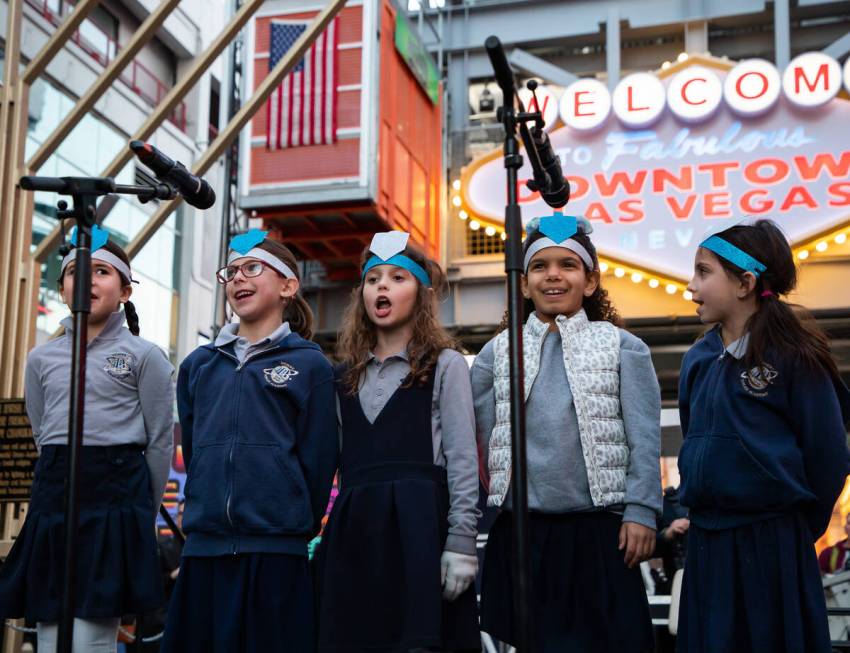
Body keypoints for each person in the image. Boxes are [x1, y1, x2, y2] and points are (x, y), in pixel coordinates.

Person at [471, 213, 662, 653]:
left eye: (568, 265)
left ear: (590, 282)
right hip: (524, 533)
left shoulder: (624, 346)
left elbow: (644, 438)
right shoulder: (495, 353)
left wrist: (642, 510)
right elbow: (485, 438)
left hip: (603, 530)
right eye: (539, 266)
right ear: (522, 283)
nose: (553, 274)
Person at [677, 218, 850, 653]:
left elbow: (828, 455)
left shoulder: (796, 356)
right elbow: (693, 436)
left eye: (703, 272)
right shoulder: (697, 358)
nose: (691, 284)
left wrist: (792, 530)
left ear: (745, 283)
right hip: (708, 542)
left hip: (771, 540)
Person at [161, 229, 338, 653]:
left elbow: (318, 457)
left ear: (288, 286)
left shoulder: (310, 365)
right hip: (204, 551)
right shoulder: (198, 365)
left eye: (253, 268)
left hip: (277, 551)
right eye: (232, 272)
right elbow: (195, 443)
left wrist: (290, 521)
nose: (238, 279)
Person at [0, 225, 174, 653]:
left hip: (116, 499)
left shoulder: (145, 355)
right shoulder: (40, 358)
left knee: (92, 635)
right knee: (49, 629)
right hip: (54, 495)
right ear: (61, 290)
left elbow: (159, 442)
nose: (88, 280)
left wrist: (139, 515)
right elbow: (43, 430)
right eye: (76, 271)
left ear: (126, 291)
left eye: (101, 271)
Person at [316, 231, 481, 652]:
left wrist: (462, 543)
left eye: (396, 278)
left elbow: (463, 459)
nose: (382, 287)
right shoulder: (342, 376)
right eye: (373, 280)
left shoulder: (446, 366)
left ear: (421, 295)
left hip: (421, 532)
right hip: (355, 536)